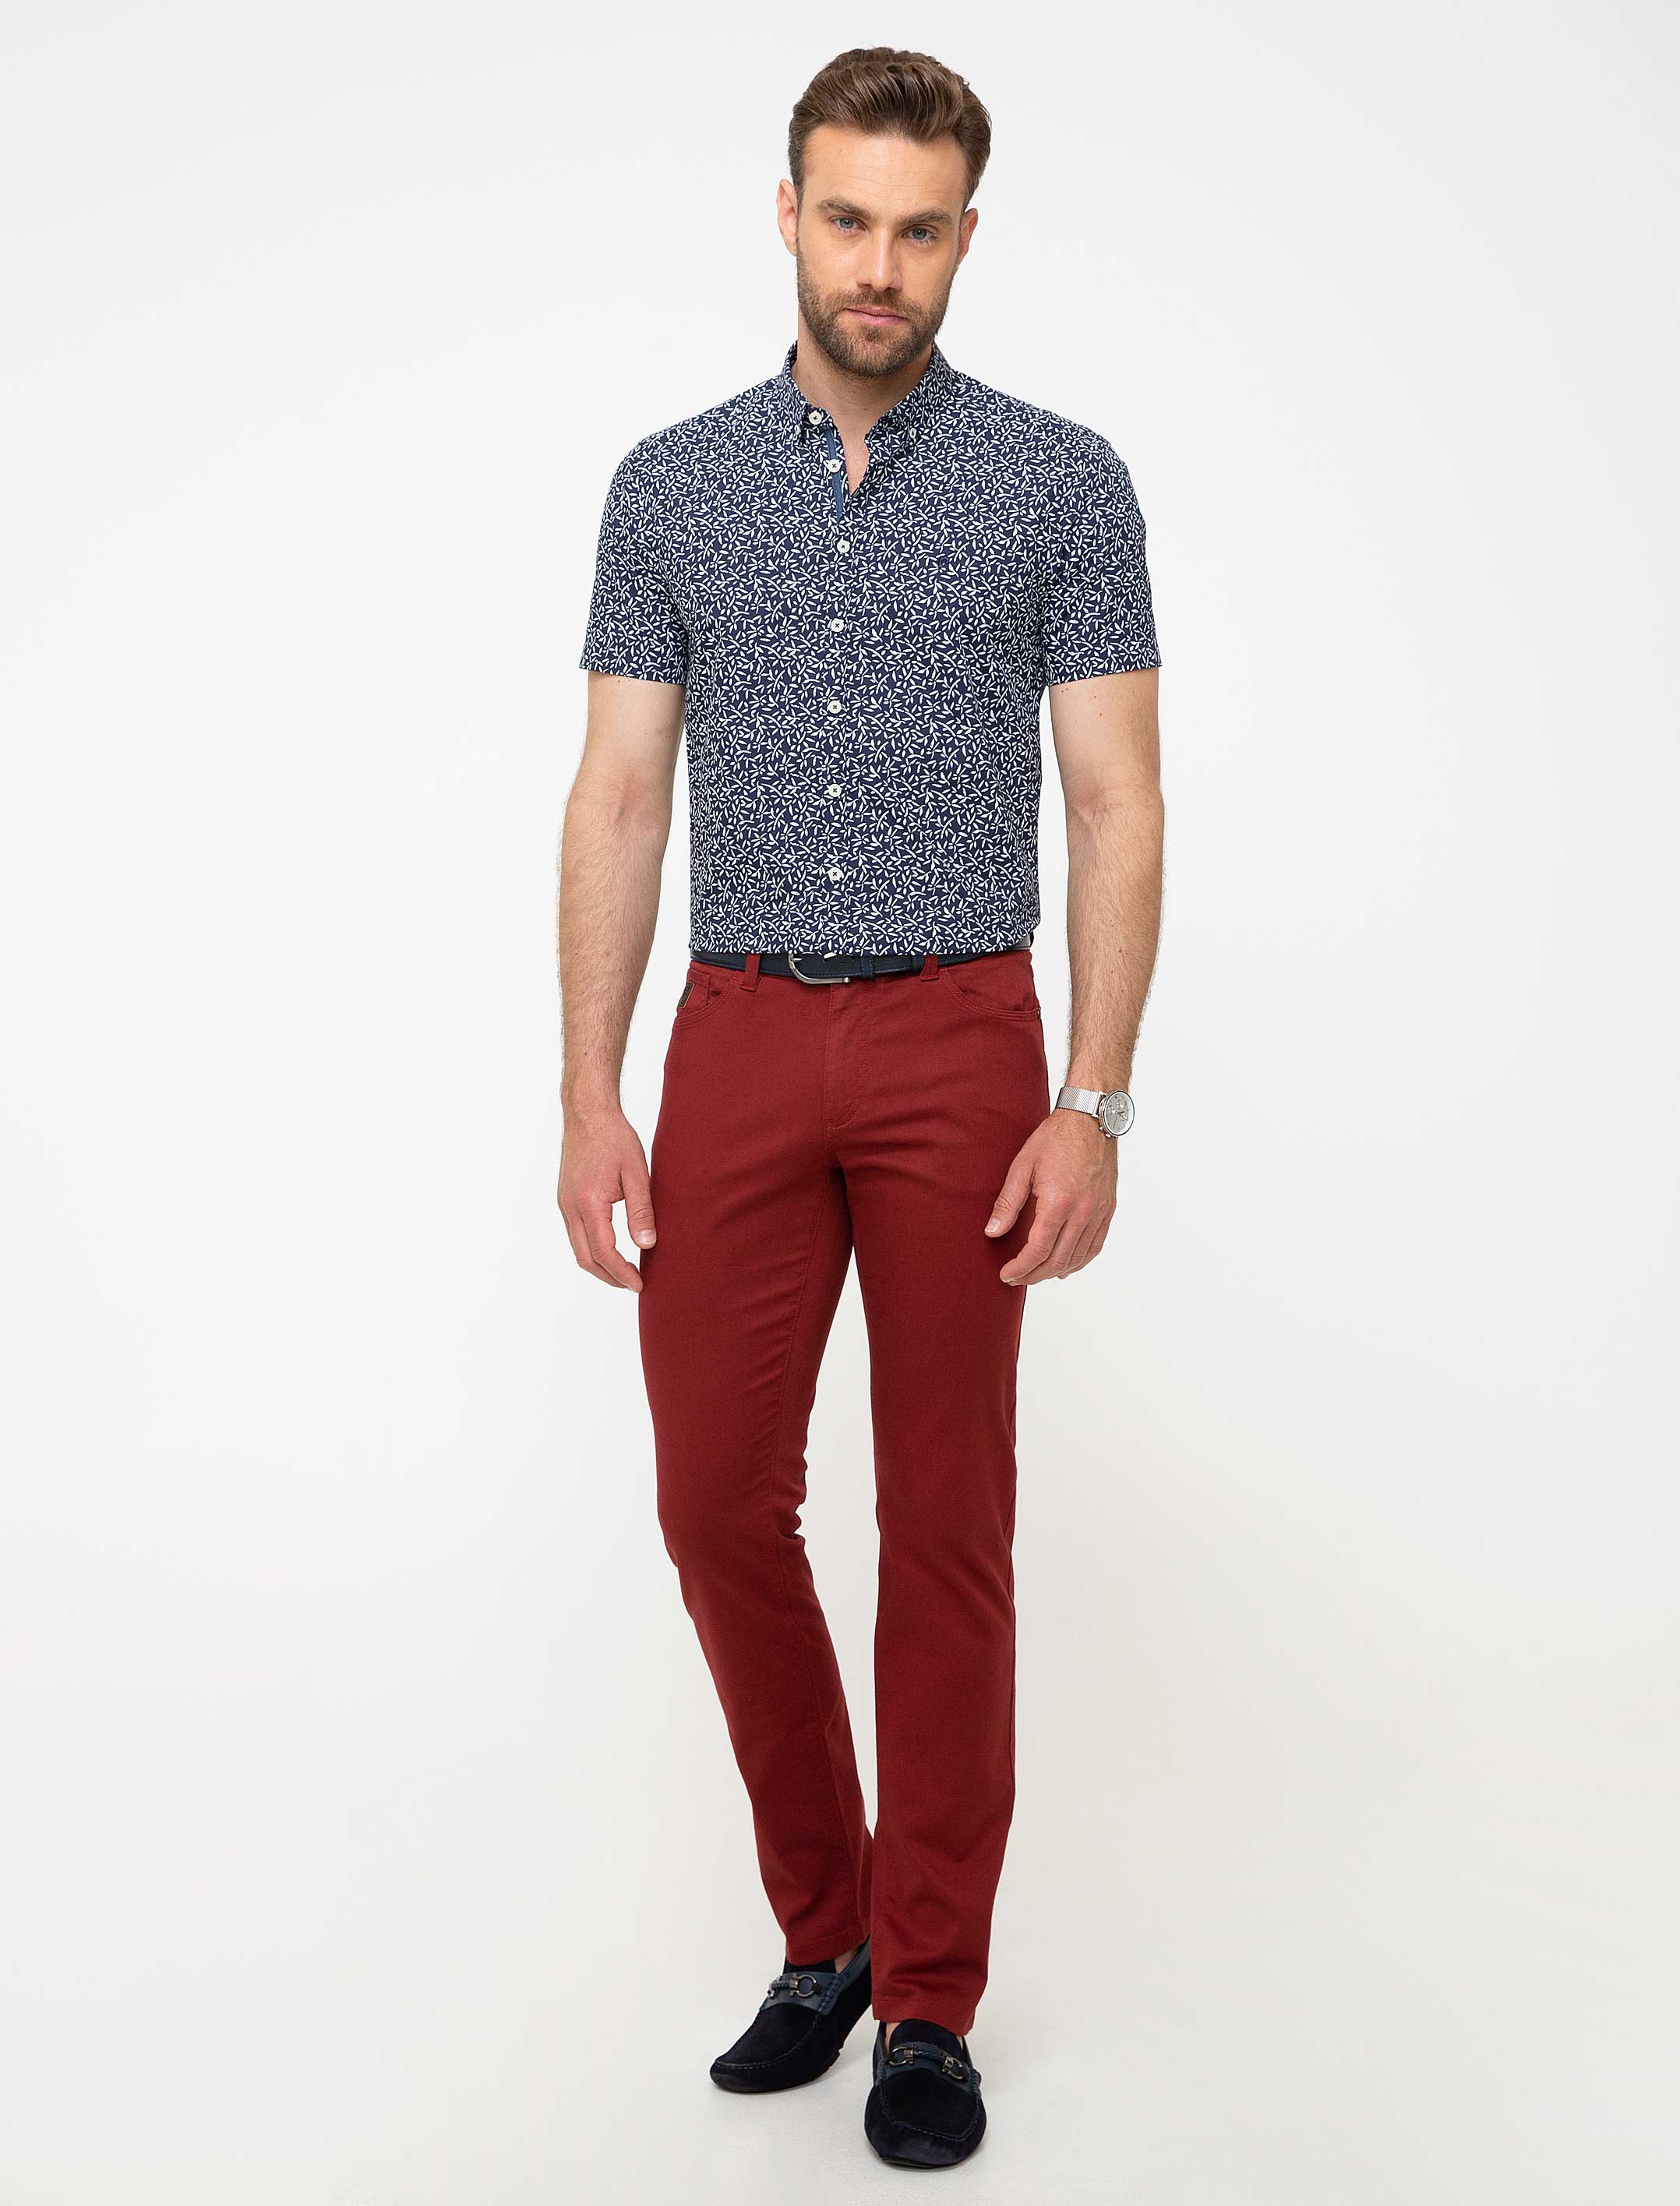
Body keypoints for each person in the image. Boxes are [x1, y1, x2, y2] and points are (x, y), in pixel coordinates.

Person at [558, 44, 1163, 2169]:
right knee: (717, 1500)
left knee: (946, 1523)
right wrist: (590, 1090)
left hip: (957, 1043)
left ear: (966, 236)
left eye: (917, 227)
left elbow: (1114, 802)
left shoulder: (1062, 482)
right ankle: (821, 1933)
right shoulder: (669, 486)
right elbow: (618, 797)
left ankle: (928, 1997)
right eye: (846, 219)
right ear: (788, 215)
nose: (877, 266)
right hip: (734, 1035)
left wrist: (1092, 1097)